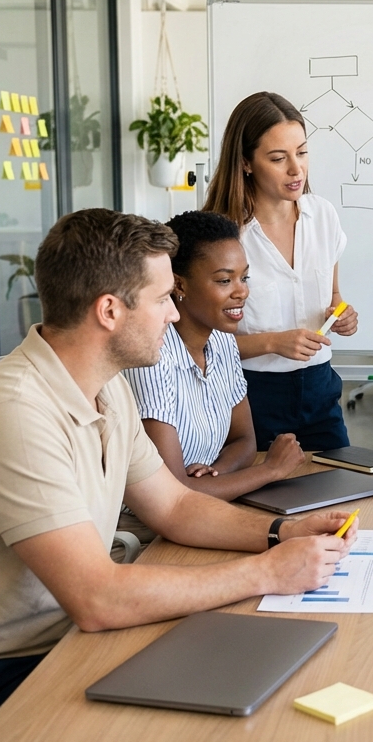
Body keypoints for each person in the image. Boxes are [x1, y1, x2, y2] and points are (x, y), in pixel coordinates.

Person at [0, 209, 357, 742]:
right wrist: (267, 572)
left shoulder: (105, 390)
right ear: (110, 310)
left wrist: (283, 531)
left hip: (58, 648)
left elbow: (175, 505)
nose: (173, 312)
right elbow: (97, 598)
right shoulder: (13, 412)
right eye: (162, 299)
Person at [119, 210, 306, 531]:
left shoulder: (222, 339)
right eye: (224, 280)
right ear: (179, 284)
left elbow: (244, 440)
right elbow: (174, 492)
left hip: (206, 503)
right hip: (148, 530)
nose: (241, 291)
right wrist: (270, 470)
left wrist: (215, 474)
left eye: (243, 277)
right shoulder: (151, 358)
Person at [204, 91, 357, 452]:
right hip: (251, 397)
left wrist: (343, 314)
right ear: (246, 163)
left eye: (302, 152)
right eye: (278, 158)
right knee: (262, 504)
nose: (296, 169)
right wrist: (273, 342)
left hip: (320, 390)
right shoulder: (222, 236)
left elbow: (333, 297)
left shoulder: (323, 215)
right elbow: (200, 344)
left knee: (341, 491)